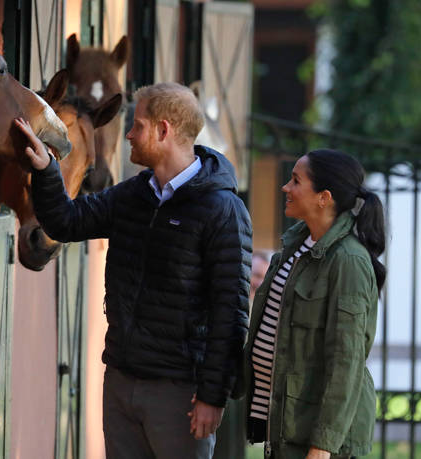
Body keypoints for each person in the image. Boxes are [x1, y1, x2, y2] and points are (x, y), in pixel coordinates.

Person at [14, 82, 252, 458]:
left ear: (163, 130)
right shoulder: (134, 194)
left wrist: (212, 394)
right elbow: (66, 222)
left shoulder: (221, 209)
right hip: (121, 382)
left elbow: (231, 311)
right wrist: (46, 168)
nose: (128, 134)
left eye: (137, 125)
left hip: (180, 393)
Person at [244, 149, 385, 459]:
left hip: (319, 445)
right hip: (285, 430)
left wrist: (322, 447)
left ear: (324, 197)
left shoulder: (348, 260)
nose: (285, 187)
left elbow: (345, 363)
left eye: (296, 181)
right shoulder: (295, 247)